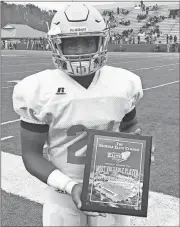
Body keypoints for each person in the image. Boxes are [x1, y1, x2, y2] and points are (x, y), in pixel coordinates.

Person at [12, 3, 155, 227]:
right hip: (62, 193)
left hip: (112, 190)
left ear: (102, 40)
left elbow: (130, 128)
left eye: (88, 41)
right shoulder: (37, 89)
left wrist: (138, 150)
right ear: (56, 45)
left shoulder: (124, 83)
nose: (81, 51)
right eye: (71, 43)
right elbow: (31, 155)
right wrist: (70, 185)